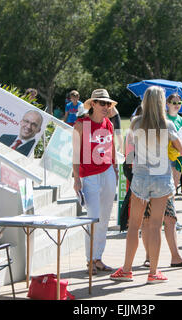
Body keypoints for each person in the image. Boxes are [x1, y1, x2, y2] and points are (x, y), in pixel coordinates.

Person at [110, 86, 182, 284]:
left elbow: (130, 147)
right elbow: (181, 150)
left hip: (141, 177)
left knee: (134, 226)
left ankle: (126, 270)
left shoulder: (136, 122)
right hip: (161, 177)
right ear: (161, 103)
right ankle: (153, 272)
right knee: (155, 226)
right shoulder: (168, 125)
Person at [141, 93, 182, 268]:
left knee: (168, 218)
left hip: (160, 175)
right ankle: (150, 258)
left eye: (179, 103)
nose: (176, 105)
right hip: (154, 176)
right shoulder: (156, 123)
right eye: (172, 102)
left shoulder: (141, 122)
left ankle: (173, 257)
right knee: (150, 219)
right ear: (163, 104)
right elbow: (179, 148)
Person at [72, 88, 118, 274]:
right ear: (93, 104)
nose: (106, 106)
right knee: (93, 217)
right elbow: (75, 154)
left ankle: (98, 257)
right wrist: (77, 179)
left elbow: (112, 147)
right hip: (89, 175)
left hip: (107, 171)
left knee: (105, 217)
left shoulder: (109, 124)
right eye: (102, 103)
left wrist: (114, 168)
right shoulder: (81, 124)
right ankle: (89, 260)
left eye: (108, 103)